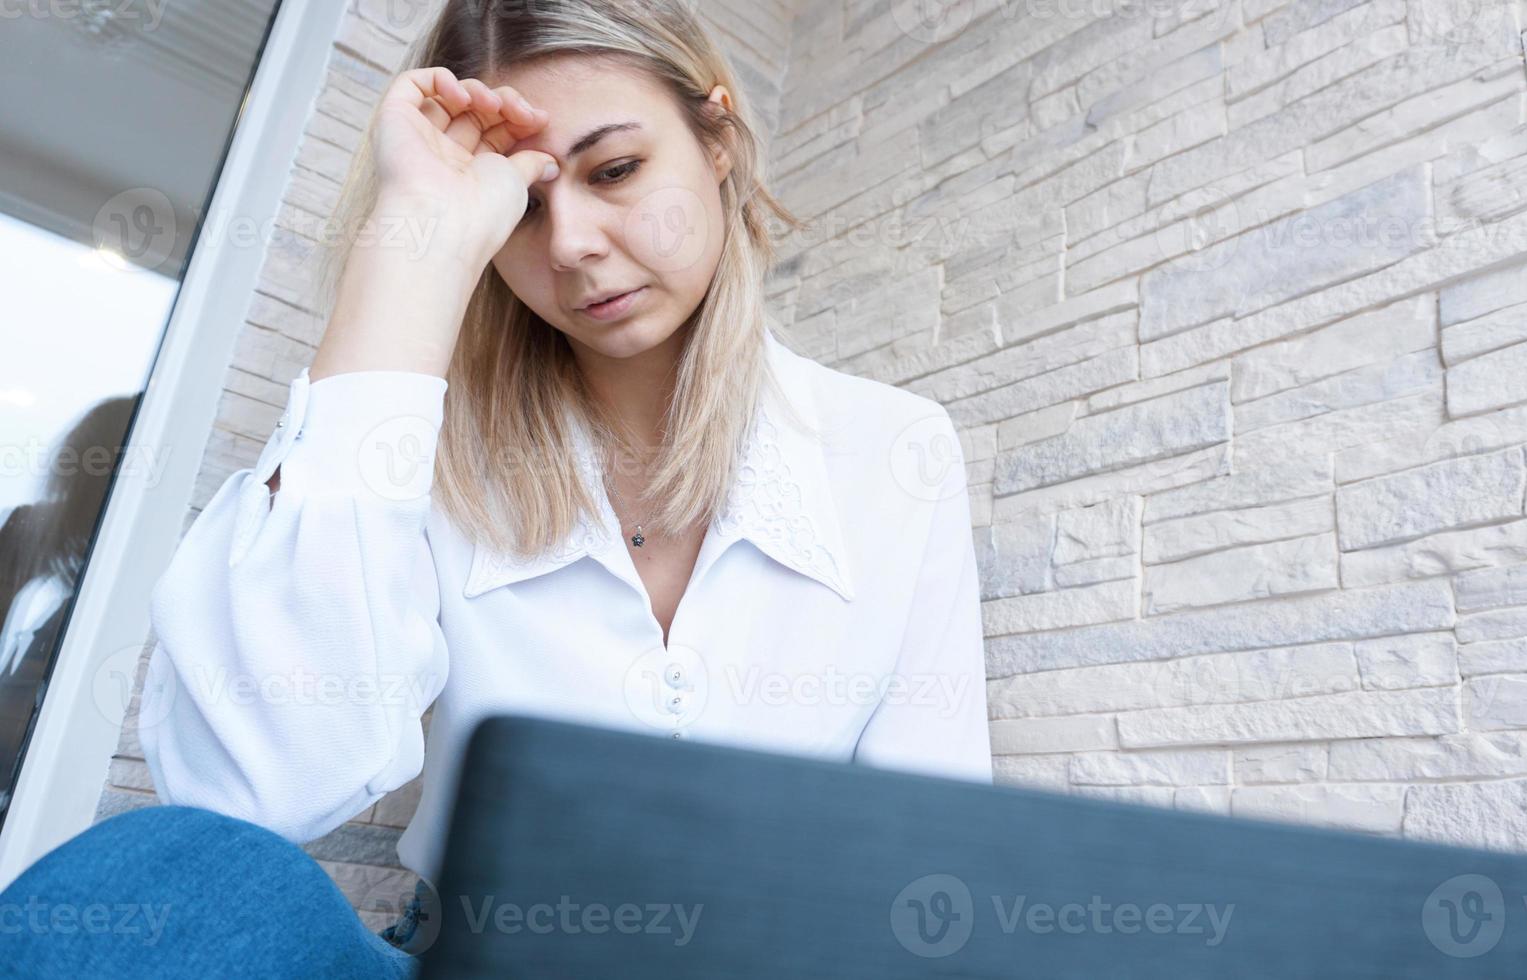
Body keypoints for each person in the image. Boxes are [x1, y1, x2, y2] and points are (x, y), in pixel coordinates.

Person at [0, 0, 991, 974]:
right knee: (170, 875)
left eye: (616, 170)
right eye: (523, 204)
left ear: (716, 140)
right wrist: (410, 252)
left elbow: (933, 850)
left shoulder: (894, 450)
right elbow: (250, 792)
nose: (569, 247)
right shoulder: (413, 447)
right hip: (472, 960)